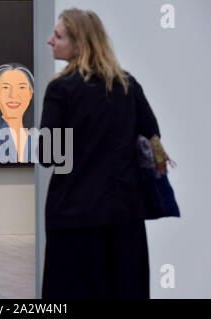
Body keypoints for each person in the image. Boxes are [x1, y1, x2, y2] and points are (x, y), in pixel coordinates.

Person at [39, 8, 163, 299]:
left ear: (80, 43)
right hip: (125, 216)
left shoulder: (61, 89)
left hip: (73, 217)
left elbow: (49, 154)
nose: (49, 41)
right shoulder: (127, 85)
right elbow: (154, 140)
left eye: (58, 36)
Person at [0, 63, 34, 163]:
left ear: (30, 94)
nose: (13, 95)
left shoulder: (38, 138)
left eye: (21, 88)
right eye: (5, 88)